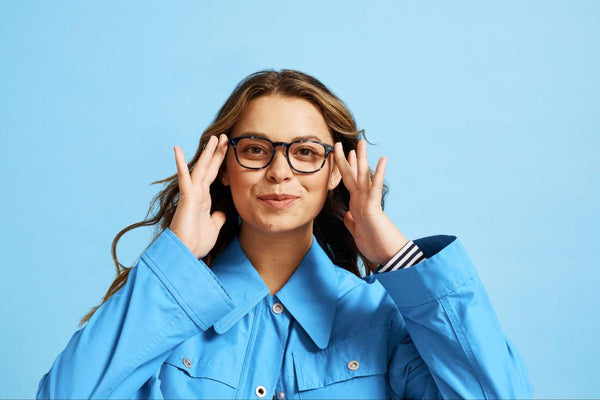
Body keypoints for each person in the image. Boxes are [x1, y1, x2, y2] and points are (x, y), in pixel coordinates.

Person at [36, 69, 533, 399]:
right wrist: (177, 261)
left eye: (306, 152)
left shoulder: (382, 323)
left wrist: (399, 260)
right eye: (255, 149)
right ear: (224, 167)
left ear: (336, 170)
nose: (280, 172)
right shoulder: (165, 318)